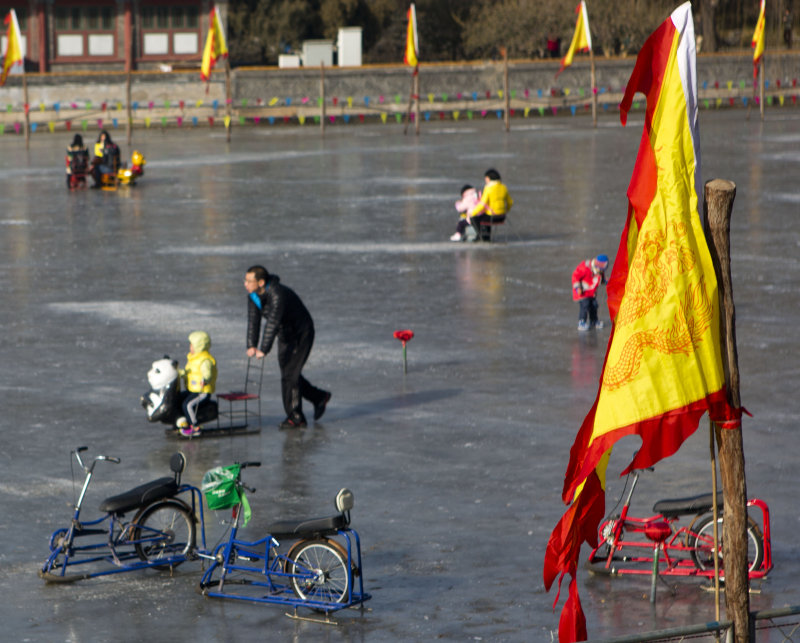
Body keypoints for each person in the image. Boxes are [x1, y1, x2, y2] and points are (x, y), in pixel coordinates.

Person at [244, 265, 331, 429]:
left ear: (261, 282)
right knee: (289, 374)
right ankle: (318, 397)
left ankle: (296, 417)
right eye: (245, 280)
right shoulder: (253, 296)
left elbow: (273, 322)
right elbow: (253, 321)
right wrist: (251, 345)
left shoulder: (278, 294)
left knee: (290, 375)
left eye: (249, 281)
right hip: (285, 336)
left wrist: (264, 348)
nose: (245, 284)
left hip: (301, 334)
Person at [178, 330, 217, 436]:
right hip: (192, 389)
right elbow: (189, 372)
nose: (190, 347)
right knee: (179, 398)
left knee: (188, 405)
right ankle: (183, 421)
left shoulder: (205, 360)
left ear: (199, 346)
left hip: (202, 391)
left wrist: (205, 379)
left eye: (192, 345)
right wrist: (179, 373)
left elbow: (207, 374)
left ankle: (195, 427)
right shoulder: (193, 358)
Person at [468, 168, 513, 240]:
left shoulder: (488, 188)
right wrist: (505, 211)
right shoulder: (503, 187)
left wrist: (473, 213)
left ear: (489, 178)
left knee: (474, 218)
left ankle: (482, 236)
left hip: (492, 217)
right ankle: (486, 236)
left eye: (486, 178)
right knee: (486, 215)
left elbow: (482, 204)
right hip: (502, 217)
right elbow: (510, 202)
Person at [572, 255, 609, 331]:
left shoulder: (599, 272)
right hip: (582, 292)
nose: (601, 271)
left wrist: (605, 281)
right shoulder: (585, 268)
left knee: (594, 306)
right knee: (585, 306)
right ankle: (581, 322)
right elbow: (575, 276)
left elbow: (599, 279)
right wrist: (577, 288)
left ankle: (594, 321)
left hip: (591, 293)